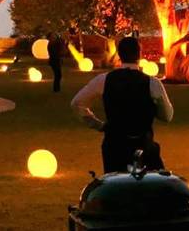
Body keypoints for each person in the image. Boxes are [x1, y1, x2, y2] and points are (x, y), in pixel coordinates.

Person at [70, 36, 173, 173]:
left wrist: (98, 124)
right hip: (143, 144)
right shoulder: (152, 83)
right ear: (140, 54)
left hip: (114, 145)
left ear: (119, 55)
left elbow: (77, 103)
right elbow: (167, 116)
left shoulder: (104, 80)